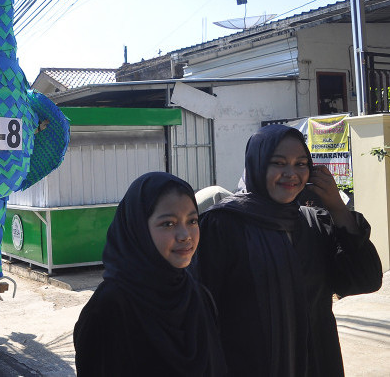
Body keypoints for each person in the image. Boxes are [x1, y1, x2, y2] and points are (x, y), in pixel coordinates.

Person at [196, 124, 383, 377]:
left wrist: (338, 207)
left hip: (315, 363)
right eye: (278, 163)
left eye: (301, 164)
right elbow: (202, 311)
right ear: (257, 164)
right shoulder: (223, 225)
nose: (291, 173)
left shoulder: (314, 223)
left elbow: (365, 280)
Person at [73, 172, 226, 376]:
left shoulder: (197, 296)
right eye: (168, 224)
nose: (185, 235)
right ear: (138, 229)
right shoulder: (109, 308)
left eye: (192, 221)